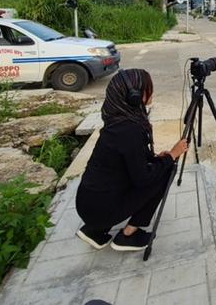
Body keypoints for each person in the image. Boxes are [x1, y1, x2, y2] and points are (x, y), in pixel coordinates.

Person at [75, 69, 189, 251]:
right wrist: (172, 155)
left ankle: (95, 231)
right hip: (100, 210)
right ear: (134, 97)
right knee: (166, 171)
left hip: (86, 204)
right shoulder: (131, 130)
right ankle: (128, 235)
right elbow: (143, 179)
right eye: (148, 88)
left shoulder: (116, 121)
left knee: (158, 165)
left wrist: (154, 158)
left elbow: (127, 160)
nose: (152, 92)